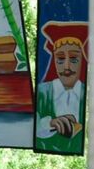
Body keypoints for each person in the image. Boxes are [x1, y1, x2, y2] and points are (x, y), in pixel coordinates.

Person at [35, 22, 88, 154]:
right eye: (60, 59)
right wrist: (51, 123)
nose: (67, 67)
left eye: (74, 59)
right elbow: (32, 124)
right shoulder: (42, 92)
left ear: (82, 60)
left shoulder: (88, 93)